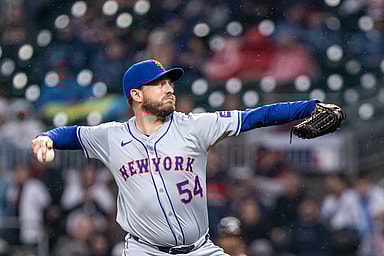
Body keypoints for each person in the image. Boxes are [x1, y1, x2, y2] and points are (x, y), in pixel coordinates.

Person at [32, 59, 326, 256]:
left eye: (169, 83)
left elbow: (256, 117)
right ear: (136, 94)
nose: (170, 88)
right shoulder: (111, 136)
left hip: (199, 249)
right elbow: (72, 133)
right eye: (159, 84)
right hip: (143, 250)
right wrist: (47, 138)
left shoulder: (193, 126)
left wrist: (309, 107)